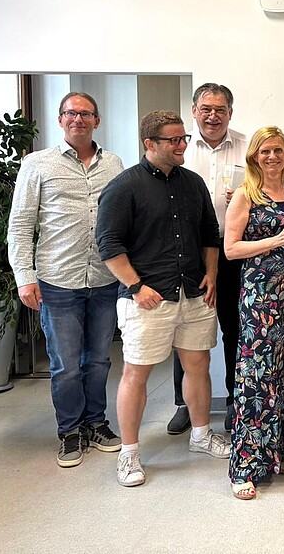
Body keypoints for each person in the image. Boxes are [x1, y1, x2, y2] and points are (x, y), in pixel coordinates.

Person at [96, 110, 230, 488]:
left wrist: (211, 273)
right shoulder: (124, 187)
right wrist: (136, 286)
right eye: (174, 140)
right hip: (147, 298)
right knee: (136, 373)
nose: (183, 145)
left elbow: (209, 232)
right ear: (149, 143)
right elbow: (108, 243)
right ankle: (129, 454)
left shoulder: (193, 183)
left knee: (198, 363)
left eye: (184, 138)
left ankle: (201, 435)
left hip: (193, 291)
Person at [7, 92, 124, 467]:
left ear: (97, 121)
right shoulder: (36, 164)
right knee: (65, 364)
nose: (78, 119)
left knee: (100, 361)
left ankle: (96, 423)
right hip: (58, 281)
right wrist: (25, 277)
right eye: (71, 113)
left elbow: (122, 220)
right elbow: (21, 226)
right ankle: (70, 430)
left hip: (105, 278)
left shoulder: (114, 164)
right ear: (60, 120)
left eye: (86, 114)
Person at [225, 127, 284, 500]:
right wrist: (274, 241)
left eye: (278, 150)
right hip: (260, 300)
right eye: (265, 152)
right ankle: (246, 465)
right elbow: (231, 249)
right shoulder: (246, 194)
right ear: (254, 157)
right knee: (258, 378)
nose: (272, 157)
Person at [169, 83, 248, 435]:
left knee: (235, 329)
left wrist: (249, 196)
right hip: (188, 250)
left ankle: (234, 401)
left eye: (220, 109)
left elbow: (269, 191)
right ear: (194, 110)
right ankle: (184, 404)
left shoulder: (249, 147)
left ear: (230, 112)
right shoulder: (179, 148)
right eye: (206, 109)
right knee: (182, 329)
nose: (213, 115)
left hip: (235, 250)